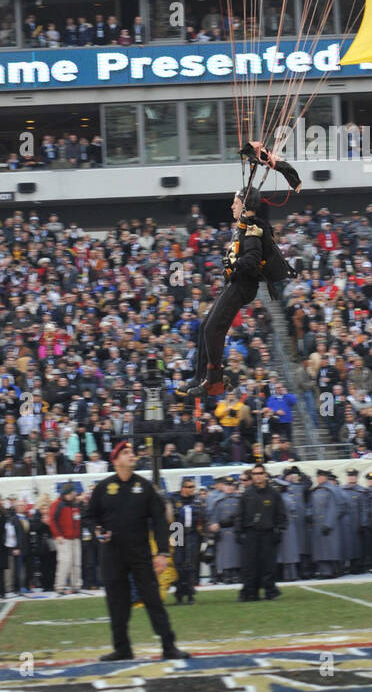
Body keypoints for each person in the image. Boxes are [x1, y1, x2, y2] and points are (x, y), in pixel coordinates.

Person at [85, 441, 187, 661]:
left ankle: (168, 645)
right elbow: (89, 516)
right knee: (116, 602)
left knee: (153, 599)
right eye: (126, 452)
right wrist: (97, 530)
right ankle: (122, 648)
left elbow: (160, 520)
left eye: (132, 452)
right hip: (112, 553)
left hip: (140, 552)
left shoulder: (145, 486)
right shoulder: (104, 488)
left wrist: (162, 552)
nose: (132, 455)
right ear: (115, 460)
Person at [192, 189, 296, 396]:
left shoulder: (252, 228)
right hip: (236, 283)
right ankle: (203, 377)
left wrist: (234, 264)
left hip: (242, 285)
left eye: (235, 203)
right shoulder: (243, 227)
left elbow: (252, 258)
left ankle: (214, 380)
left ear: (244, 206)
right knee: (207, 327)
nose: (232, 206)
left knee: (213, 329)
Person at [235, 462, 286, 601]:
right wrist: (239, 532)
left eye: (260, 473)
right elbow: (240, 514)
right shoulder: (247, 494)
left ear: (265, 475)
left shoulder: (273, 493)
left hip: (268, 533)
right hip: (251, 533)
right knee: (250, 565)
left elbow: (280, 513)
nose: (257, 476)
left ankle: (270, 591)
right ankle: (250, 592)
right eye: (255, 474)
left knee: (268, 565)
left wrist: (280, 529)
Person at [172, 476, 204, 604]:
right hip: (177, 530)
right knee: (178, 563)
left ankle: (190, 593)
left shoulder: (197, 500)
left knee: (190, 564)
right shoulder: (174, 499)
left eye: (193, 487)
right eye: (189, 487)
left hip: (192, 532)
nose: (192, 490)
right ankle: (179, 593)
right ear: (182, 488)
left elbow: (202, 516)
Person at [49, 482, 82, 594]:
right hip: (64, 538)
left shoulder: (74, 504)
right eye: (71, 493)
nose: (73, 495)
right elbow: (52, 520)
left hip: (75, 538)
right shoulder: (57, 504)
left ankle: (76, 585)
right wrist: (57, 535)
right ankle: (60, 586)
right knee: (65, 562)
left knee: (76, 562)